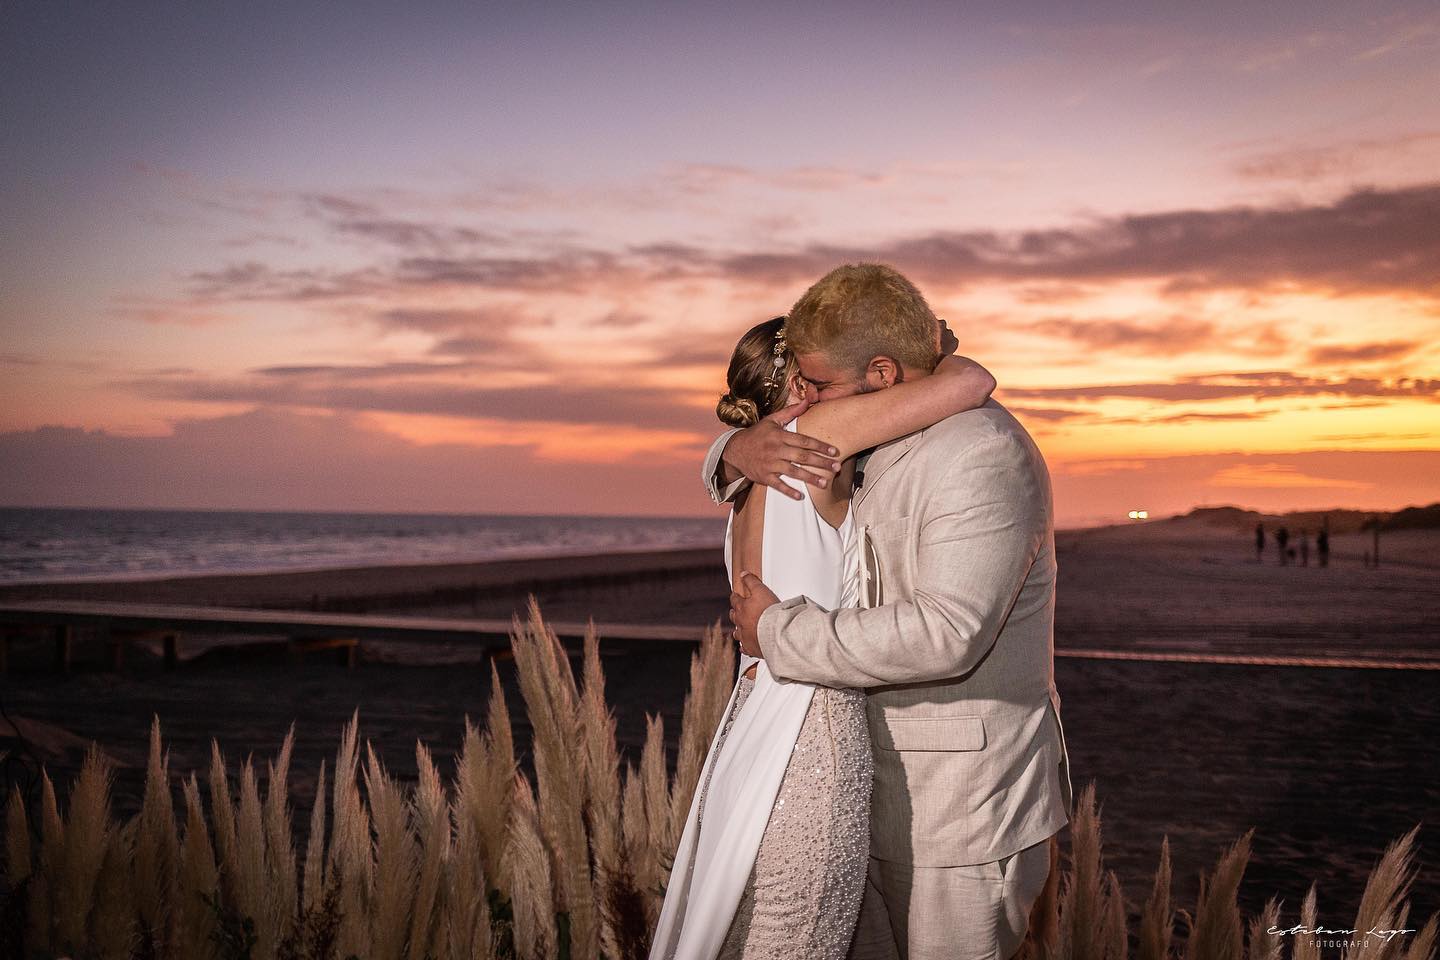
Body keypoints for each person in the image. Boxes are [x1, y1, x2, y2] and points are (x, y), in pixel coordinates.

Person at [720, 264, 1073, 960]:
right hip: (862, 790)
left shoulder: (980, 455)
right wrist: (733, 445)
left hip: (962, 812)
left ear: (882, 374)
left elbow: (947, 635)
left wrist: (774, 631)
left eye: (817, 385)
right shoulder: (873, 435)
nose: (806, 400)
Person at [652, 314, 997, 960]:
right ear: (800, 386)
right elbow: (972, 383)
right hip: (813, 735)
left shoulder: (745, 481)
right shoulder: (815, 438)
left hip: (748, 724)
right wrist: (933, 350)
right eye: (822, 367)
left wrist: (728, 446)